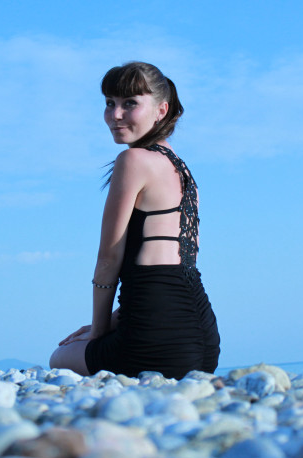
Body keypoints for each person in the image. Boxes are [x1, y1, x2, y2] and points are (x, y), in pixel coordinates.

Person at [49, 61, 219, 379]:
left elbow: (108, 257)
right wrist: (115, 321)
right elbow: (172, 271)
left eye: (129, 103)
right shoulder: (183, 171)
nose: (115, 115)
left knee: (58, 358)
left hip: (155, 339)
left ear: (161, 110)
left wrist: (98, 329)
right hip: (205, 342)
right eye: (109, 103)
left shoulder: (133, 160)